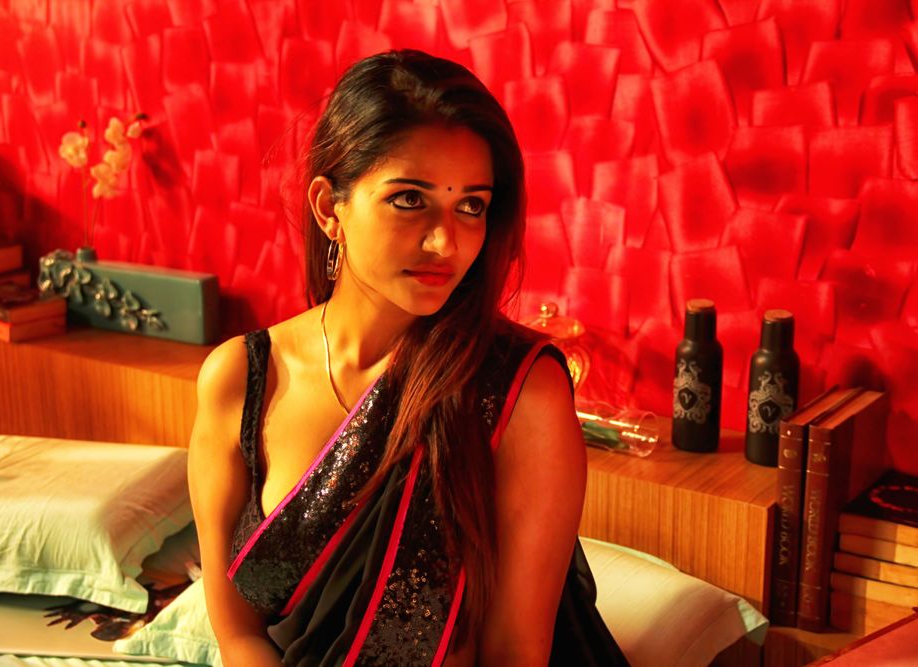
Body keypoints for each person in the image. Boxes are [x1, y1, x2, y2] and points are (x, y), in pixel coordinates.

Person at [187, 49, 627, 666]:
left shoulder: (519, 392)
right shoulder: (239, 379)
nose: (445, 242)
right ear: (328, 208)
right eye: (410, 200)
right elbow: (237, 632)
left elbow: (513, 653)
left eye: (471, 205)